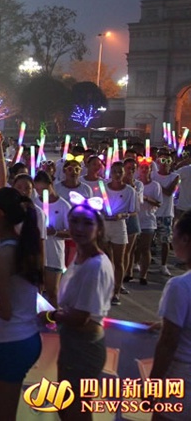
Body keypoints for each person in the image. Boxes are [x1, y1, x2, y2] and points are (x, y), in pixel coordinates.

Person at [38, 198, 115, 421]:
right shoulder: (80, 257)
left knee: (75, 411)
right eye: (74, 221)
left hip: (84, 347)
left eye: (87, 223)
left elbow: (82, 316)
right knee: (68, 408)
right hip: (73, 343)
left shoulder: (96, 266)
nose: (79, 228)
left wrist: (51, 315)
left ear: (99, 228)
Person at [0, 187, 43, 420]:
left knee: (2, 413)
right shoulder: (26, 247)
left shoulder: (4, 256)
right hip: (26, 337)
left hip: (13, 342)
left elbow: (5, 311)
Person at [149, 210, 191, 420]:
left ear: (185, 239)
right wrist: (165, 323)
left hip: (180, 379)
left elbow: (168, 342)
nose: (172, 241)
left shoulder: (180, 286)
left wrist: (153, 388)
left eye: (174, 235)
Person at [33, 171, 71, 307]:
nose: (41, 193)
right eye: (37, 190)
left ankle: (54, 319)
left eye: (44, 189)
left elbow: (71, 232)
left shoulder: (64, 206)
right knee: (35, 291)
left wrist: (55, 232)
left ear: (51, 185)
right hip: (37, 253)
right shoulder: (34, 204)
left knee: (52, 292)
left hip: (55, 254)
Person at [102, 161, 136, 305]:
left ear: (124, 174)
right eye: (114, 171)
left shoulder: (129, 191)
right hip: (104, 225)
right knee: (105, 260)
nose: (117, 175)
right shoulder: (103, 188)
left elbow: (133, 211)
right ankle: (105, 288)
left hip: (119, 226)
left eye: (120, 172)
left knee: (119, 260)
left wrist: (122, 216)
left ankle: (116, 291)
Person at [153, 151, 180, 277]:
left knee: (165, 241)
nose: (165, 164)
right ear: (158, 162)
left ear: (171, 163)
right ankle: (140, 262)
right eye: (162, 161)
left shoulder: (174, 176)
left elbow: (169, 192)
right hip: (152, 213)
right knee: (145, 241)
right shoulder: (152, 174)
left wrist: (156, 185)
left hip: (166, 214)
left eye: (168, 161)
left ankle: (163, 265)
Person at [135, 157, 162, 285]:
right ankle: (130, 270)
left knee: (145, 248)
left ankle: (143, 275)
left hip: (148, 220)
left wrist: (145, 198)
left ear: (151, 170)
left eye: (147, 168)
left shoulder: (155, 185)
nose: (144, 170)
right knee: (133, 248)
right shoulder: (135, 183)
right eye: (142, 168)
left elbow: (158, 202)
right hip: (135, 218)